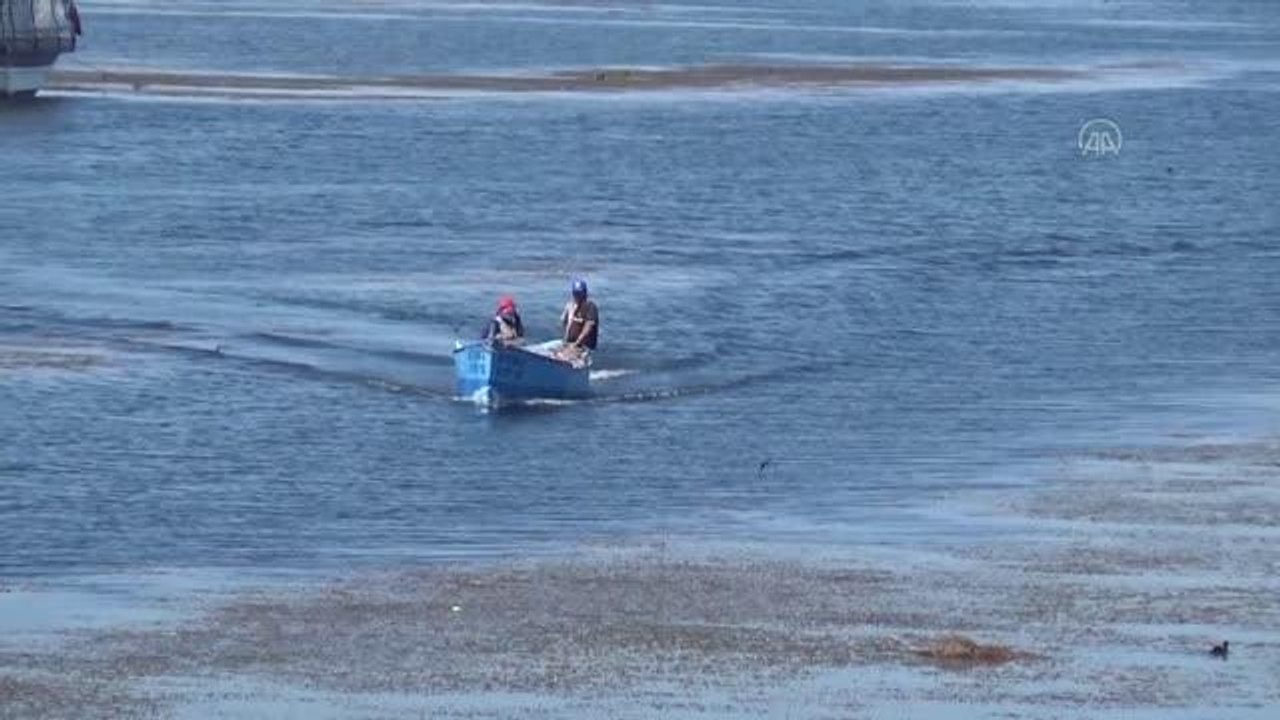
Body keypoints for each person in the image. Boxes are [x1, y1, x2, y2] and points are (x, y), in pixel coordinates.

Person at [557, 278, 598, 360]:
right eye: (575, 293)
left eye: (580, 293)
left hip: (583, 346)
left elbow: (588, 328)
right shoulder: (574, 307)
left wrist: (575, 344)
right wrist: (566, 341)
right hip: (571, 343)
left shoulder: (590, 307)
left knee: (561, 357)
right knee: (554, 352)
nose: (577, 296)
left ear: (585, 293)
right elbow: (566, 323)